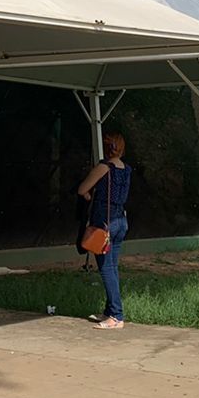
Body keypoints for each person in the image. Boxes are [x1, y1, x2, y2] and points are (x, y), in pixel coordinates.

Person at [77, 132, 131, 330]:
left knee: (106, 268)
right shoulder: (127, 169)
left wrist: (89, 197)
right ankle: (109, 311)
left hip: (104, 223)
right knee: (112, 267)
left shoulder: (103, 168)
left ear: (107, 148)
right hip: (121, 220)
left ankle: (116, 315)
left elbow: (82, 189)